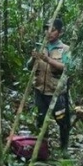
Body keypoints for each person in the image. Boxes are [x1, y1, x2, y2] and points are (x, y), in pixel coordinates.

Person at [29, 19, 72, 154]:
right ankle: (43, 149)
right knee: (41, 121)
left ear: (60, 32)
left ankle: (64, 148)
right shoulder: (41, 47)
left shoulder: (65, 49)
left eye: (53, 30)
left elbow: (67, 67)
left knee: (62, 121)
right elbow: (29, 67)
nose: (49, 32)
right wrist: (33, 58)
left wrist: (47, 59)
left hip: (57, 92)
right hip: (40, 90)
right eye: (47, 29)